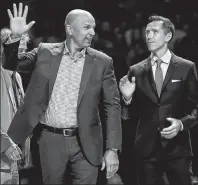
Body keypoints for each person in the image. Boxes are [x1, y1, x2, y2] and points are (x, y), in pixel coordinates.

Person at [3, 3, 122, 184]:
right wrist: (17, 36)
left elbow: (112, 106)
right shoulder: (44, 51)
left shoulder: (103, 62)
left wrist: (112, 148)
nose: (92, 33)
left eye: (94, 28)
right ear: (69, 29)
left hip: (87, 143)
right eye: (87, 27)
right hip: (51, 140)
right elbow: (12, 65)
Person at [119, 15, 198, 185]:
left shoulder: (186, 67)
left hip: (178, 149)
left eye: (154, 32)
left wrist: (182, 124)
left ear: (168, 36)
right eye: (147, 32)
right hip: (146, 151)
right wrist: (127, 98)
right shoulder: (136, 70)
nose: (148, 36)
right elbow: (128, 115)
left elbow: (196, 108)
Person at [0, 28, 24, 184]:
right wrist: (4, 143)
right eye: (15, 50)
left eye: (22, 50)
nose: (20, 56)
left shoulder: (17, 77)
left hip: (12, 160)